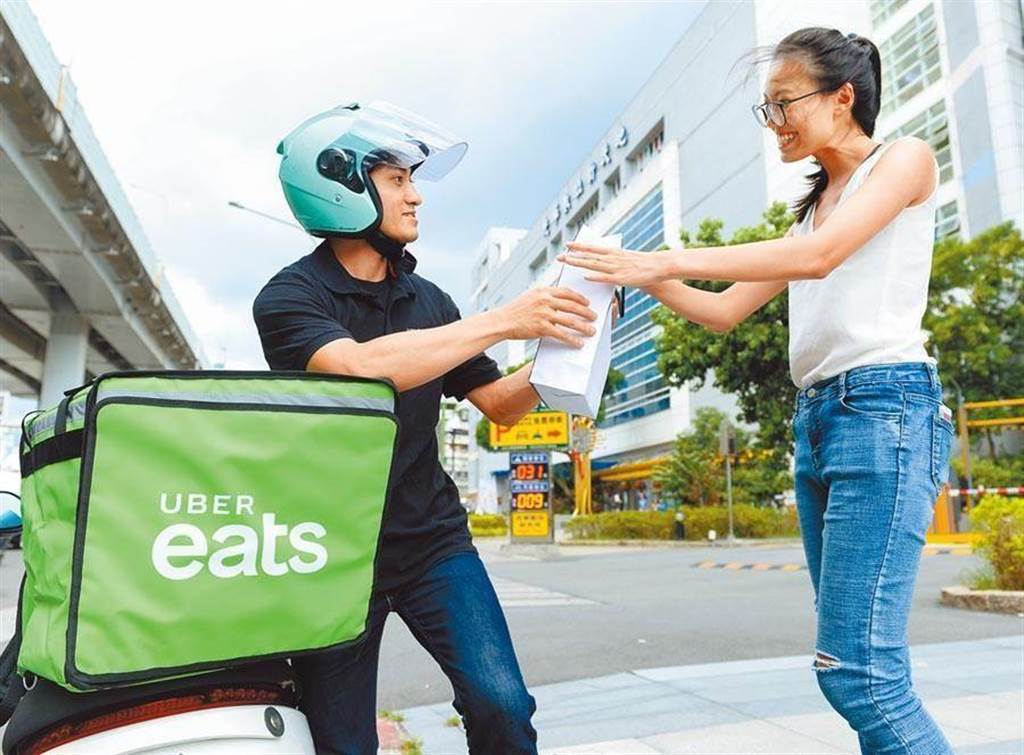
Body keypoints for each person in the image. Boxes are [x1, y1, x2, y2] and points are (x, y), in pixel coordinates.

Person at [562, 28, 955, 754]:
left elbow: (821, 258)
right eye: (766, 108)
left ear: (843, 98)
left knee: (859, 673)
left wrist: (660, 257)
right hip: (821, 422)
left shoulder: (903, 160)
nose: (774, 122)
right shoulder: (809, 211)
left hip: (885, 410)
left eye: (784, 103)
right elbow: (722, 310)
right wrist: (640, 276)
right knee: (859, 666)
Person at [253, 101, 597, 755]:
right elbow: (358, 368)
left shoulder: (431, 301)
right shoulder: (291, 297)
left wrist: (563, 350)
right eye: (398, 180)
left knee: (503, 706)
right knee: (344, 744)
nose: (416, 197)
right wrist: (504, 319)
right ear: (341, 185)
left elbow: (498, 403)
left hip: (432, 541)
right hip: (333, 554)